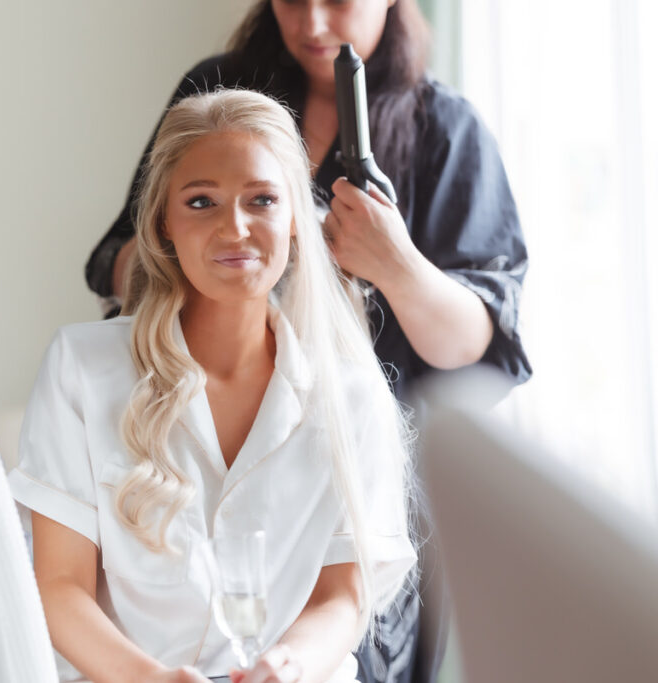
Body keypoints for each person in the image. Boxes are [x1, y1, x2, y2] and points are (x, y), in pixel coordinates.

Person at [85, 2, 531, 682]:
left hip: (364, 481)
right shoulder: (217, 95)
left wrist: (394, 262)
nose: (313, 23)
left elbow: (476, 343)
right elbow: (122, 254)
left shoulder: (446, 132)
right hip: (219, 464)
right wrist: (224, 257)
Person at [9, 89, 416, 683]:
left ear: (298, 221)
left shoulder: (352, 394)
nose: (235, 228)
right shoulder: (81, 367)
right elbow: (61, 586)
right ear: (163, 223)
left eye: (263, 200)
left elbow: (345, 596)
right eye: (202, 202)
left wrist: (289, 666)